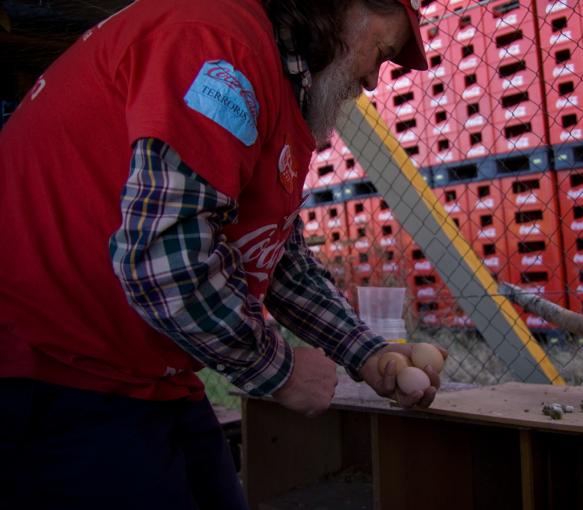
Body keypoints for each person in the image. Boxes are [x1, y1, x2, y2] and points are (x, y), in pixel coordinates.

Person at [0, 0, 444, 508]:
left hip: (143, 371)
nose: (371, 80)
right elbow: (163, 256)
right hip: (51, 370)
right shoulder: (219, 48)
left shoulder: (272, 79)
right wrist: (278, 371)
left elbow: (275, 254)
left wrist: (367, 354)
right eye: (381, 53)